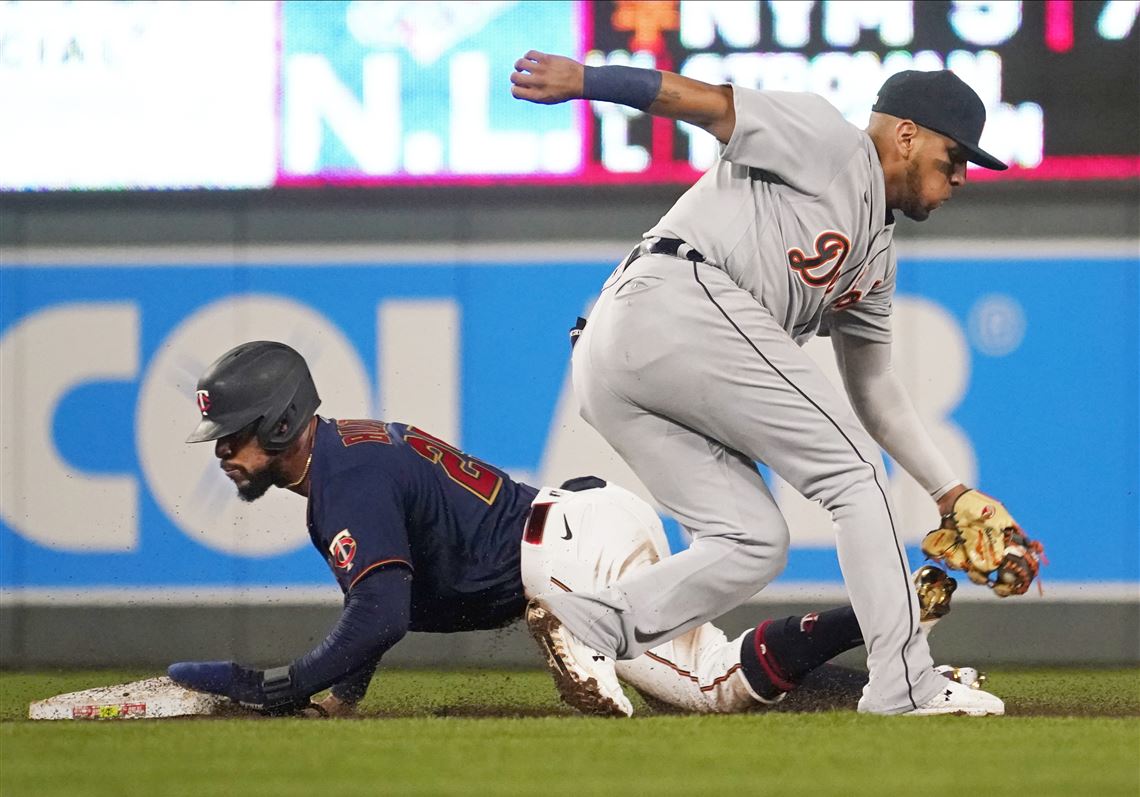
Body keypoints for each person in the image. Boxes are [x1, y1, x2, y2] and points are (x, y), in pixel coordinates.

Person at [510, 53, 1018, 716]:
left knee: (752, 540)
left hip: (634, 350)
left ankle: (591, 624)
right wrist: (587, 82)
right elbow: (704, 103)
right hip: (671, 300)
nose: (959, 176)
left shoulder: (874, 256)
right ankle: (905, 682)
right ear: (906, 134)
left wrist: (949, 492)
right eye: (955, 156)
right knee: (856, 474)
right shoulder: (828, 140)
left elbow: (874, 390)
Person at [168, 341, 973, 718]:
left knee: (709, 691)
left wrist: (287, 684)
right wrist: (338, 694)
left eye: (233, 437)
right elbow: (382, 608)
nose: (226, 456)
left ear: (277, 425)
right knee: (712, 666)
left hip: (564, 563)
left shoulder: (341, 479)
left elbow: (379, 612)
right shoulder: (347, 458)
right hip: (578, 523)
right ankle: (894, 645)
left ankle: (889, 615)